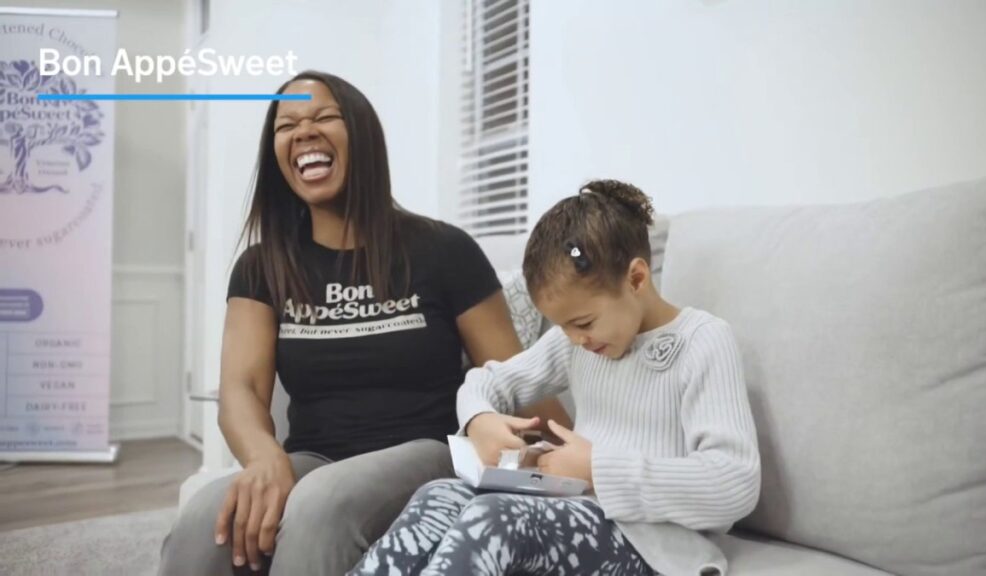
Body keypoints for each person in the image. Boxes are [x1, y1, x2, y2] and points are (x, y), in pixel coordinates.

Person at [159, 71, 570, 576]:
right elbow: (240, 388)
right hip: (315, 457)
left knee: (319, 505)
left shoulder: (443, 250)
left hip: (428, 452)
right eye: (286, 126)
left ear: (363, 135)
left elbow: (515, 377)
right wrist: (264, 458)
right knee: (205, 518)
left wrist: (577, 456)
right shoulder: (262, 266)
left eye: (324, 117)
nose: (304, 132)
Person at [349, 179, 761, 576]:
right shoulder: (577, 343)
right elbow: (489, 381)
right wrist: (479, 420)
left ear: (636, 279)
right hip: (574, 508)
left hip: (655, 543)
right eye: (562, 326)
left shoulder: (703, 342)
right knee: (437, 496)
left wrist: (597, 469)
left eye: (583, 322)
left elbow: (735, 483)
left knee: (494, 518)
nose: (575, 338)